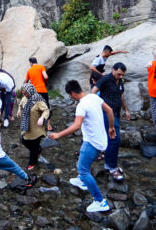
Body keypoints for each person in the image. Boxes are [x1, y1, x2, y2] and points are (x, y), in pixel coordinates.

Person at [49, 79, 115, 213]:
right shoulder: (94, 97)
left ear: (72, 93)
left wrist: (58, 135)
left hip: (92, 142)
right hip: (101, 139)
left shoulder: (81, 106)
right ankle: (82, 181)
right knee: (84, 161)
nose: (70, 97)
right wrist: (112, 127)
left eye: (69, 95)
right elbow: (109, 110)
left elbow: (76, 125)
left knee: (82, 169)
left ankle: (100, 201)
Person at [90, 62, 131, 181]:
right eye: (119, 74)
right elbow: (93, 92)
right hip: (107, 113)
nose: (121, 76)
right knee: (114, 140)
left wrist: (126, 110)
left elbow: (121, 97)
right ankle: (112, 167)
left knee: (112, 140)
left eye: (122, 75)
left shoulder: (120, 81)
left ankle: (110, 164)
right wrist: (97, 107)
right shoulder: (106, 79)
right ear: (113, 70)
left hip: (117, 113)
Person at [17, 83, 49, 170]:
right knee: (24, 141)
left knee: (34, 146)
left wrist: (42, 118)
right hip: (27, 125)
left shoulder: (38, 100)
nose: (24, 95)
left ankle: (32, 162)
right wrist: (19, 110)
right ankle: (37, 150)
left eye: (26, 93)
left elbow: (46, 110)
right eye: (23, 93)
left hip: (37, 128)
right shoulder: (25, 98)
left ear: (30, 91)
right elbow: (21, 103)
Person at [24, 57, 53, 131]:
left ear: (31, 63)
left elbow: (25, 82)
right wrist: (45, 82)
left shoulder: (29, 70)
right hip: (43, 90)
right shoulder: (41, 67)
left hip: (34, 92)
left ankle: (36, 126)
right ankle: (48, 125)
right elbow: (46, 76)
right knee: (46, 107)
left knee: (35, 108)